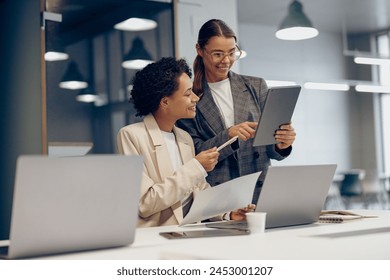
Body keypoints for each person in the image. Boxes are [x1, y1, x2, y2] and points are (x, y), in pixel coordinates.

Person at [117, 57, 253, 227]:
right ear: (165, 101)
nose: (196, 98)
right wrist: (197, 166)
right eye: (188, 93)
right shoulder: (131, 136)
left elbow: (198, 191)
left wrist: (228, 213)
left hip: (190, 232)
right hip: (156, 237)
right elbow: (146, 203)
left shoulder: (184, 138)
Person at [177, 19, 296, 204]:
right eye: (217, 54)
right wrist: (229, 135)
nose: (226, 61)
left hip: (259, 190)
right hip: (218, 195)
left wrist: (283, 143)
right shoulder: (189, 96)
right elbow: (193, 153)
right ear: (200, 50)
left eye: (232, 53)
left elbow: (270, 150)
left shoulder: (256, 86)